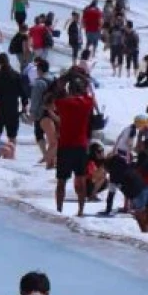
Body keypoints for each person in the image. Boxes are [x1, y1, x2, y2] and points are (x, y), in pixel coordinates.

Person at [53, 77, 95, 216]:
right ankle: (81, 210)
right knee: (81, 180)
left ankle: (59, 209)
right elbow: (90, 93)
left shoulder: (63, 103)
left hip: (65, 146)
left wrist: (63, 81)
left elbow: (56, 94)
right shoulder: (87, 103)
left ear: (70, 90)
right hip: (81, 147)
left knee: (61, 182)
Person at [0, 54, 23, 152]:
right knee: (12, 136)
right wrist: (24, 107)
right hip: (13, 109)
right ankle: (12, 154)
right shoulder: (16, 75)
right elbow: (23, 93)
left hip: (0, 110)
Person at [29, 59, 56, 165]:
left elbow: (35, 99)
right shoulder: (54, 79)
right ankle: (50, 156)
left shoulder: (39, 83)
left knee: (39, 134)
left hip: (41, 111)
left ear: (39, 69)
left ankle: (46, 155)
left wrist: (32, 113)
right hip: (53, 110)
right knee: (52, 136)